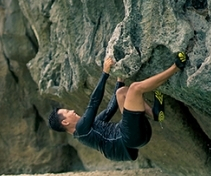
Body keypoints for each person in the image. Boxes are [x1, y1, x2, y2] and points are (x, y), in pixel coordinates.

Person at [48, 51, 189, 161]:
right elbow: (94, 102)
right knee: (135, 88)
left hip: (131, 136)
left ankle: (155, 114)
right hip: (129, 138)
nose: (72, 111)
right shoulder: (81, 129)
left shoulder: (89, 129)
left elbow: (111, 108)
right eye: (67, 112)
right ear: (65, 122)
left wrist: (119, 80)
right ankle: (176, 67)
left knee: (121, 93)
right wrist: (105, 73)